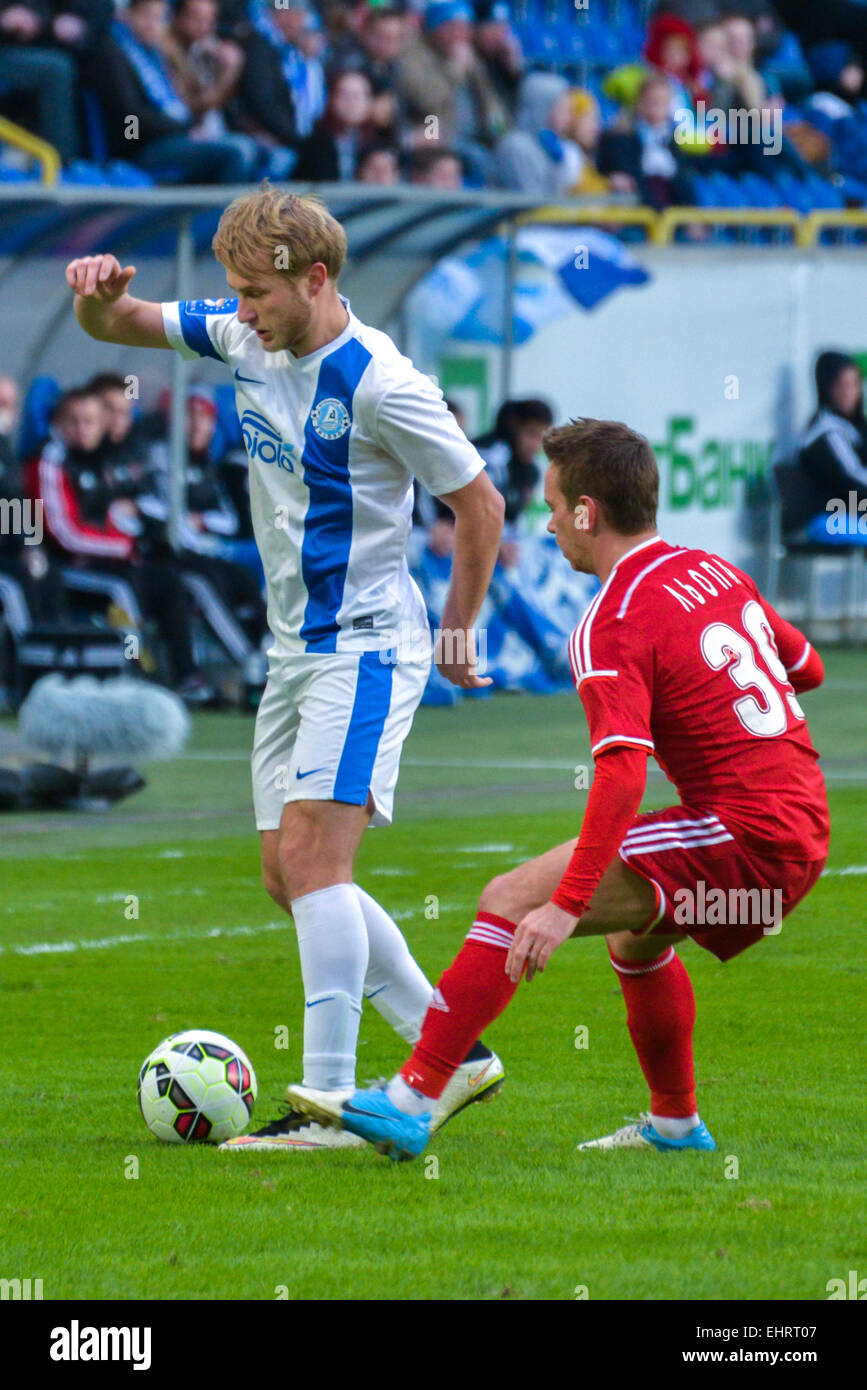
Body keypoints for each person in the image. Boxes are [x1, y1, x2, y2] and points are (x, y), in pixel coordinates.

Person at [65, 185, 507, 1152]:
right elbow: (120, 321)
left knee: (316, 862)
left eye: (254, 292)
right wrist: (94, 293)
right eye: (232, 292)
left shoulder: (383, 384)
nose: (241, 309)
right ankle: (453, 1052)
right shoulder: (244, 334)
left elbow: (479, 504)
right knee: (286, 873)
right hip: (291, 650)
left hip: (364, 648)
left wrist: (460, 630)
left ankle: (338, 1105)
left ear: (315, 278)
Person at [285, 417, 830, 1160]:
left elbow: (620, 775)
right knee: (636, 945)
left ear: (587, 513)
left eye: (550, 507)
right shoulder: (713, 570)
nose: (546, 526)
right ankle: (674, 1126)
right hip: (798, 823)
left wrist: (564, 905)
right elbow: (807, 669)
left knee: (509, 899)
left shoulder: (610, 621)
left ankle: (413, 1097)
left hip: (745, 832)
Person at [797, 350, 867, 543]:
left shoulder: (855, 427)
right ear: (826, 387)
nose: (848, 393)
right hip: (827, 517)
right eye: (841, 385)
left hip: (854, 512)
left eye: (853, 385)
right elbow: (852, 477)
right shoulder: (825, 431)